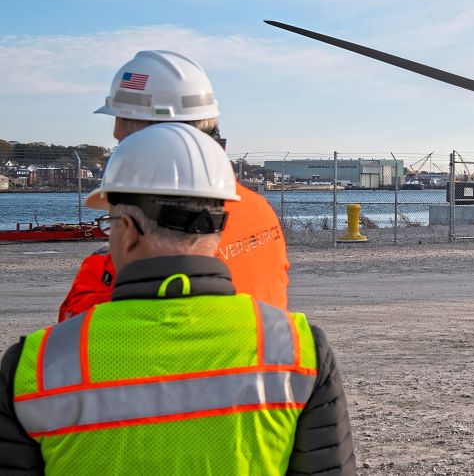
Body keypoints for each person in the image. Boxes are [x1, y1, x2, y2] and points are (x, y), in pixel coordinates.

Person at [0, 123, 355, 474]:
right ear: (217, 229)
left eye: (110, 224)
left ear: (127, 230)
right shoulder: (298, 351)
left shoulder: (36, 366)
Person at [58, 50, 288, 320]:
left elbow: (80, 335)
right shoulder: (259, 209)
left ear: (165, 135)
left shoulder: (144, 236)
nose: (116, 132)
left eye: (124, 123)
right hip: (262, 356)